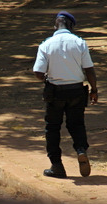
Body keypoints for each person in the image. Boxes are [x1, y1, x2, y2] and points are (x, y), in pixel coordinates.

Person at [33, 10, 98, 178]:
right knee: (76, 124)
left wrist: (49, 75)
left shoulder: (46, 45)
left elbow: (38, 73)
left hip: (55, 93)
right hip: (77, 91)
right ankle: (81, 149)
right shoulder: (79, 43)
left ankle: (57, 166)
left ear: (56, 25)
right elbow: (89, 69)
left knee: (52, 128)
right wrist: (94, 90)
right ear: (70, 26)